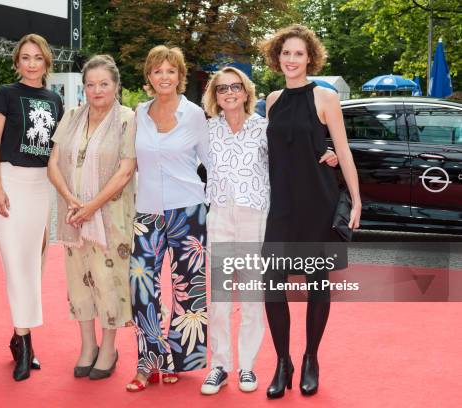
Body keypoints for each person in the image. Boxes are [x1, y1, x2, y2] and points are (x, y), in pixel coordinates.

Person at [199, 67, 338, 395]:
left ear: (246, 92)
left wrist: (327, 152)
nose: (229, 93)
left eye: (235, 87)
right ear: (214, 96)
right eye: (222, 89)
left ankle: (247, 366)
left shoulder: (264, 128)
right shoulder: (206, 131)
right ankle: (219, 365)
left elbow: (295, 153)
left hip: (256, 217)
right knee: (218, 297)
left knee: (251, 296)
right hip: (218, 216)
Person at [259, 24, 361, 398]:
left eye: (298, 53)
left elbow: (344, 150)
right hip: (281, 205)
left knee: (318, 285)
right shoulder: (271, 100)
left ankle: (310, 359)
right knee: (272, 284)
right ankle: (282, 361)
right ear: (277, 57)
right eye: (286, 53)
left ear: (310, 58)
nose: (291, 59)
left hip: (318, 201)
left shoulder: (325, 97)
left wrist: (357, 198)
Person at [126, 45, 209, 392]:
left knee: (187, 290)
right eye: (157, 71)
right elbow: (128, 164)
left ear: (180, 76)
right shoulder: (139, 114)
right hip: (147, 211)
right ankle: (150, 360)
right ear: (149, 77)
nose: (164, 77)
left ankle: (177, 360)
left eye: (170, 71)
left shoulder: (195, 115)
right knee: (141, 284)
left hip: (188, 209)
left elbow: (212, 164)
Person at [48, 55, 137, 380]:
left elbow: (125, 171)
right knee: (79, 282)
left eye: (104, 84)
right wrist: (73, 202)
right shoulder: (71, 116)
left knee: (108, 282)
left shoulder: (127, 118)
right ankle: (87, 346)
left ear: (115, 86)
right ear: (83, 87)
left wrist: (92, 206)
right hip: (73, 216)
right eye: (90, 84)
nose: (96, 90)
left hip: (111, 217)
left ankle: (109, 348)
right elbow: (53, 163)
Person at [0, 33, 64, 381]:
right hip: (10, 183)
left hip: (40, 186)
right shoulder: (4, 94)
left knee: (35, 264)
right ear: (16, 62)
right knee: (16, 264)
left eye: (38, 58)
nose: (32, 64)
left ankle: (18, 336)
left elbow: (56, 151)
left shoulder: (55, 99)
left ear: (46, 62)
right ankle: (26, 342)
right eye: (26, 58)